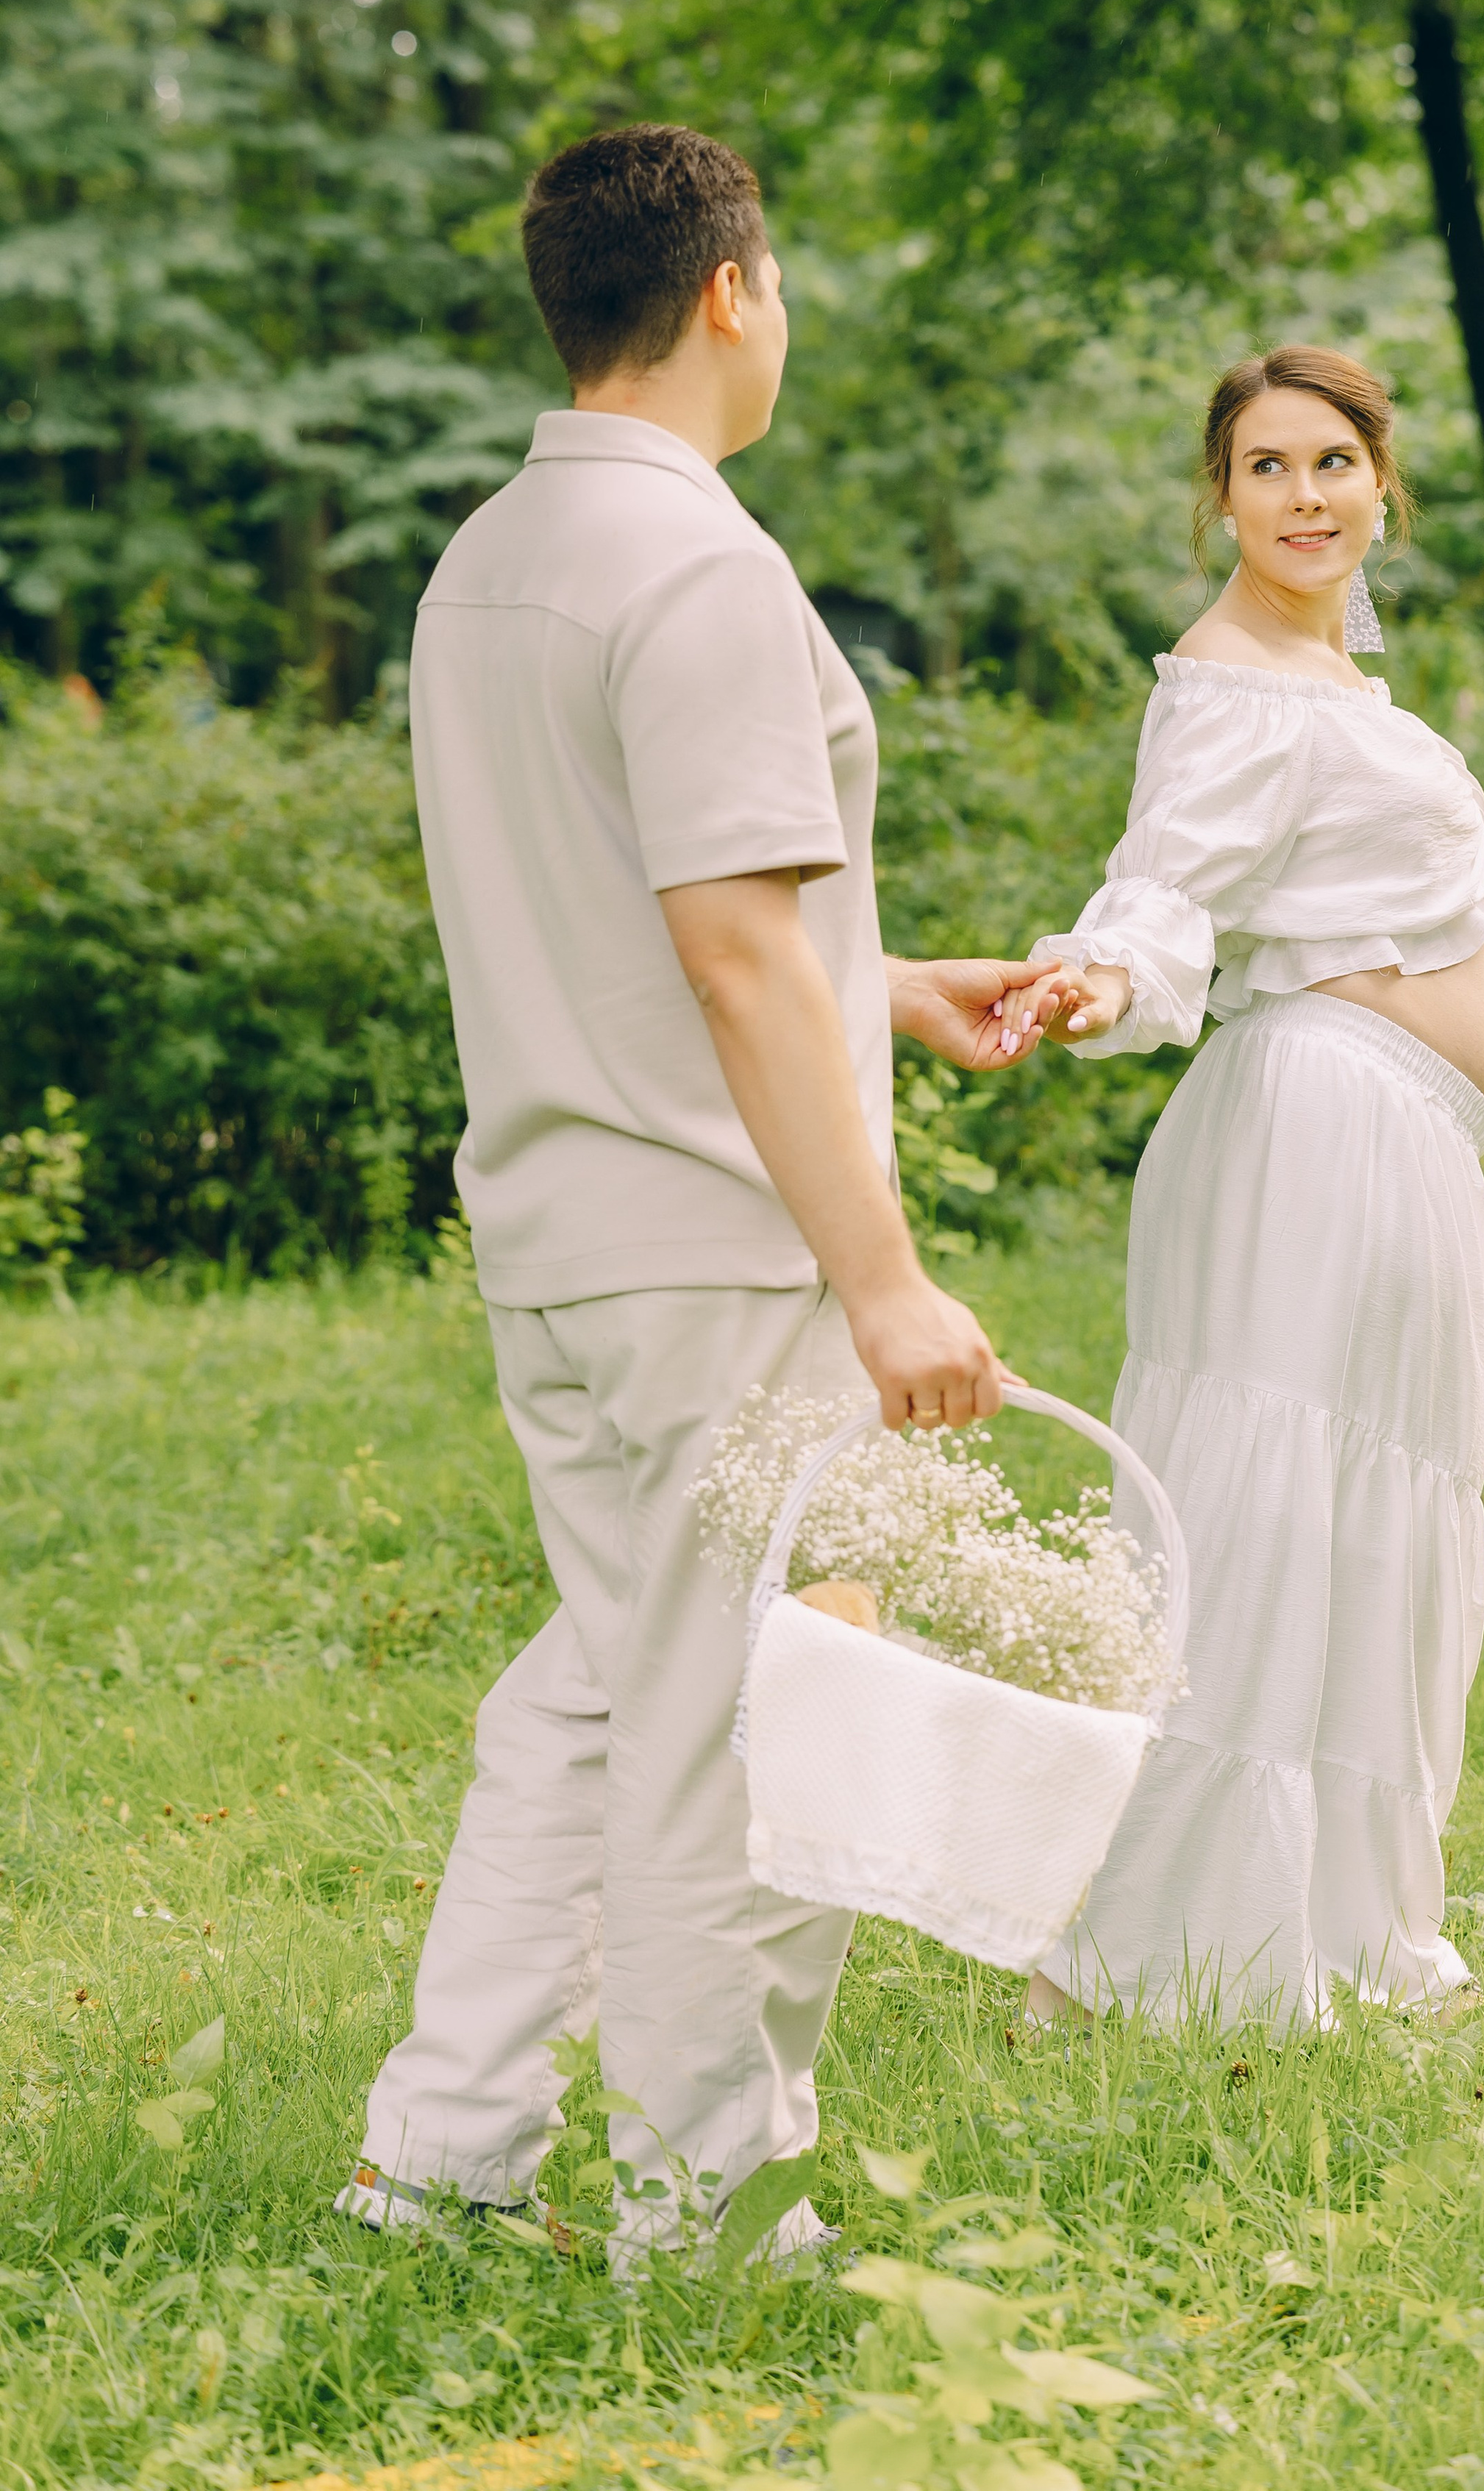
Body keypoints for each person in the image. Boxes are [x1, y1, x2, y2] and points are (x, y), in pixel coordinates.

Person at [338, 123, 1044, 2262]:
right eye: (783, 279)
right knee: (746, 1718)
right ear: (731, 289)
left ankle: (440, 2150)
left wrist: (884, 980)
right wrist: (883, 1278)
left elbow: (646, 905)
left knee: (599, 1685)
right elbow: (729, 954)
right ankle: (713, 2205)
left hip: (562, 1237)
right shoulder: (706, 566)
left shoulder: (490, 558)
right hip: (720, 1252)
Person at [999, 347, 1484, 2034]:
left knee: (1365, 1535)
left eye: (1330, 462)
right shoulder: (1229, 683)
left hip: (1393, 1144)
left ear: (1381, 482)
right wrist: (1101, 975)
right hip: (1313, 1137)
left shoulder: (1334, 684)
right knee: (1263, 1523)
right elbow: (1165, 887)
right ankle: (1147, 1951)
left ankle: (1340, 1923)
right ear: (1219, 497)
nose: (1303, 496)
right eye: (1264, 466)